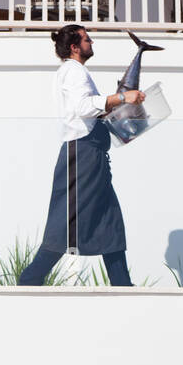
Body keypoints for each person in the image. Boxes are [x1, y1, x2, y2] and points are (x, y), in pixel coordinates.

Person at [17, 24, 145, 287]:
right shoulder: (74, 72)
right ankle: (30, 281)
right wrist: (122, 96)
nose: (92, 42)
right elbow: (83, 107)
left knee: (110, 218)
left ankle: (123, 285)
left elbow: (88, 110)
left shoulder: (74, 72)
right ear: (75, 47)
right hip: (82, 154)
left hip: (92, 155)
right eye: (87, 40)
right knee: (65, 219)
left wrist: (120, 107)